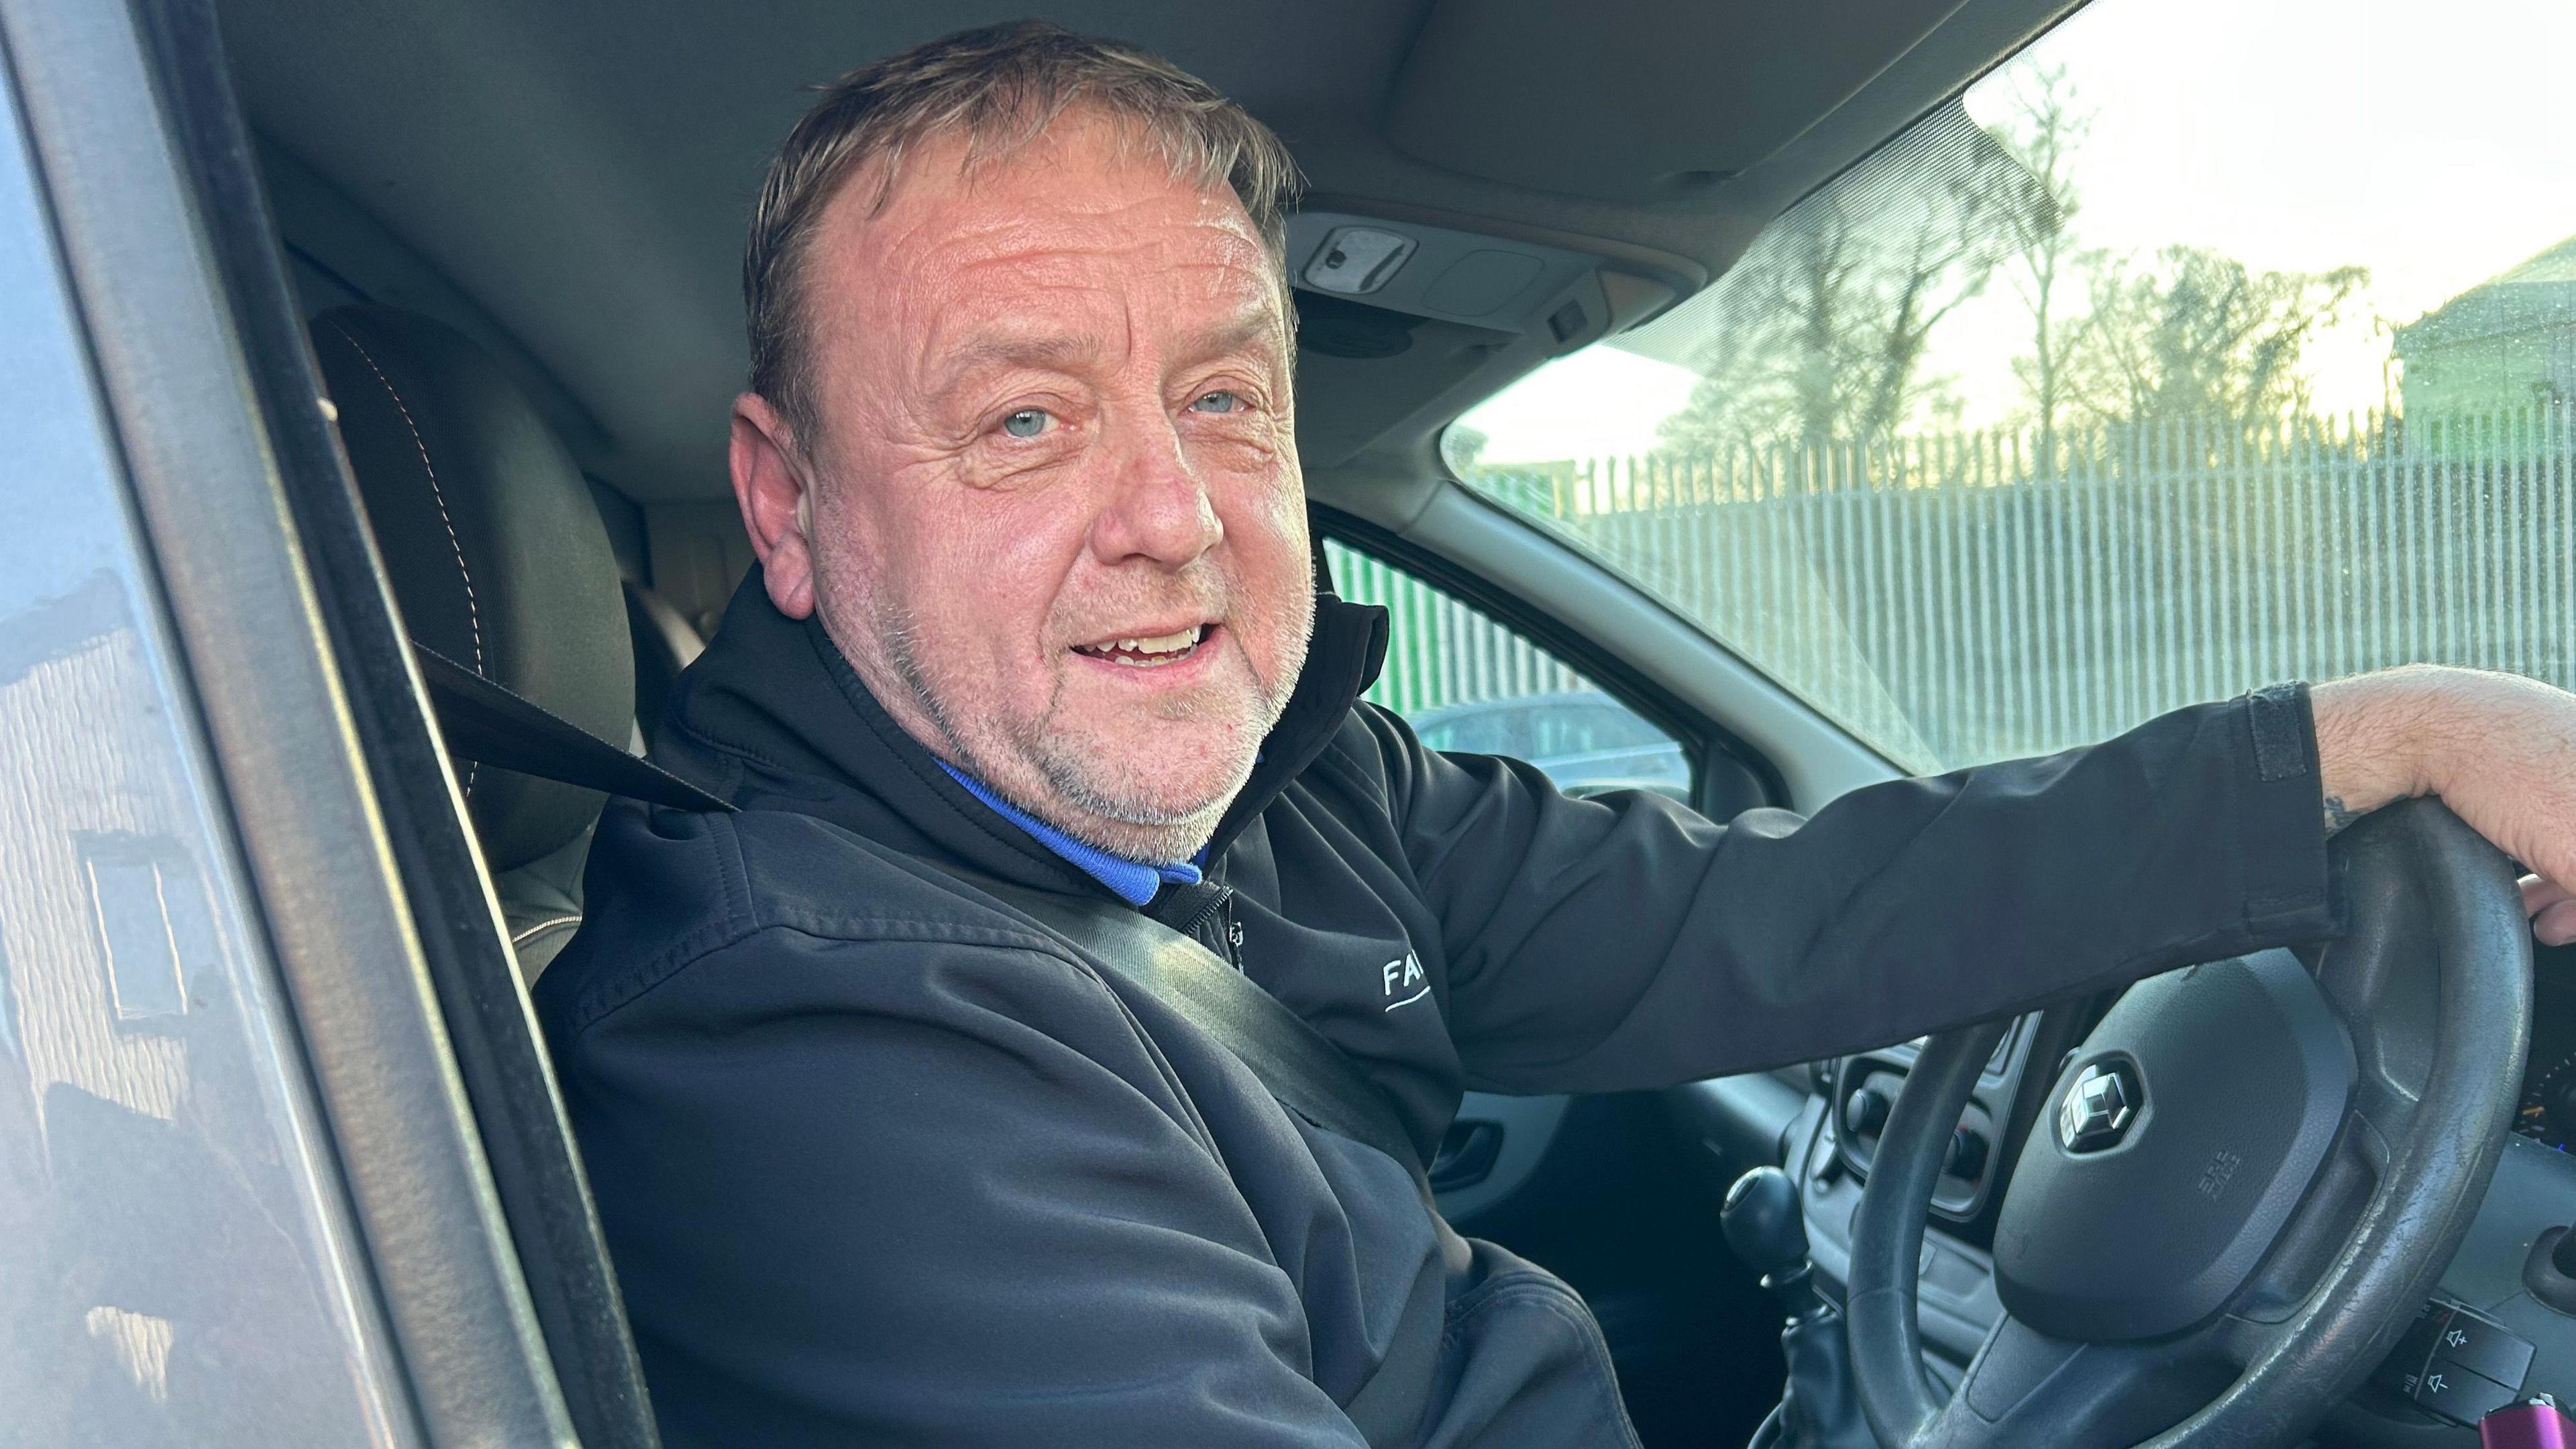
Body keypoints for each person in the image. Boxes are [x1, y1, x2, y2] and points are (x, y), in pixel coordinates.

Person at [532, 21, 2576, 1448]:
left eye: (1229, 400)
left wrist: (2371, 732)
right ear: (788, 509)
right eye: (1023, 420)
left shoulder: (1278, 790)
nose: (1175, 519)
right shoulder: (802, 1054)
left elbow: (1764, 915)